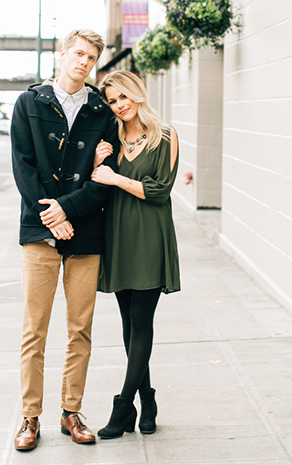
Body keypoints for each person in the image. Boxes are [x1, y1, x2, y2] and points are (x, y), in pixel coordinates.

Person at [9, 29, 119, 450]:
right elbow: (23, 168)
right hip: (40, 232)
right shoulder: (29, 103)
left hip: (85, 231)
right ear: (62, 53)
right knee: (33, 329)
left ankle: (71, 411)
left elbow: (102, 181)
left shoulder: (100, 112)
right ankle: (29, 417)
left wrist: (67, 210)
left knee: (80, 329)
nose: (83, 62)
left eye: (91, 58)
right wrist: (50, 215)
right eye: (78, 53)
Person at [89, 69, 180, 438]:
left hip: (149, 235)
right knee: (128, 325)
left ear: (137, 94)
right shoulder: (111, 137)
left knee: (142, 322)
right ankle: (148, 399)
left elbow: (159, 191)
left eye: (123, 96)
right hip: (118, 234)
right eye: (112, 100)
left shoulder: (166, 136)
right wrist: (98, 164)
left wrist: (116, 177)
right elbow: (95, 184)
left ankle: (123, 406)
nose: (119, 105)